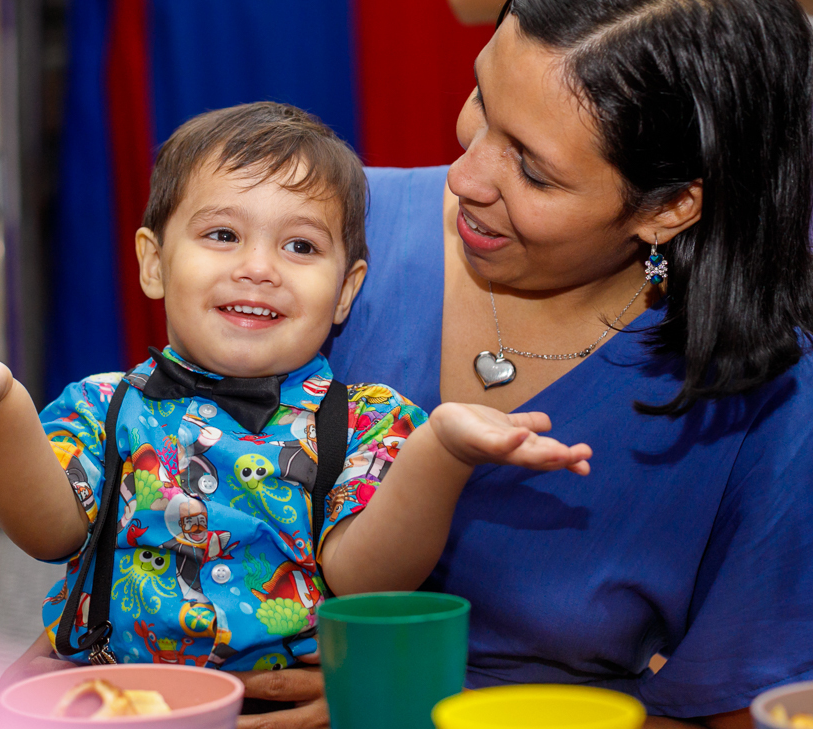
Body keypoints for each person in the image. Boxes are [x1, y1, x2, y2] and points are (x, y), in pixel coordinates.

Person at [234, 0, 813, 727]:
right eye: (481, 98)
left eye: (534, 172)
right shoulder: (316, 237)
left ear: (667, 208)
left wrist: (395, 692)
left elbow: (739, 710)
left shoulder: (763, 388)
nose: (464, 176)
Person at [0, 102, 591, 673]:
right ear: (153, 263)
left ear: (346, 290)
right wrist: (1, 407)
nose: (259, 268)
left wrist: (441, 452)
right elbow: (48, 532)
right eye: (222, 235)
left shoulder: (370, 422)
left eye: (300, 245)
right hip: (118, 697)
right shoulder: (102, 406)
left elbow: (365, 579)